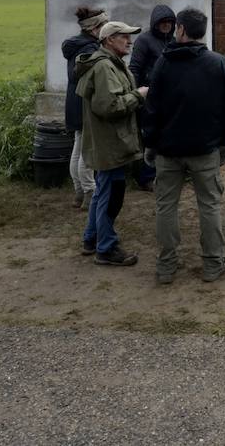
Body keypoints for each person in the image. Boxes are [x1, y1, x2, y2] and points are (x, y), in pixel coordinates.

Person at [144, 7, 225, 285]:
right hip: (205, 149)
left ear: (181, 30)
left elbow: (152, 108)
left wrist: (150, 143)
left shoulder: (163, 63)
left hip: (168, 150)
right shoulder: (218, 63)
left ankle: (166, 266)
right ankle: (213, 262)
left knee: (165, 206)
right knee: (209, 205)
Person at [76, 20, 148, 267]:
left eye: (129, 37)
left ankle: (91, 238)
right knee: (111, 195)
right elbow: (110, 106)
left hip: (108, 141)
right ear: (108, 40)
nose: (129, 41)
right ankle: (106, 249)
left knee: (102, 191)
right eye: (123, 37)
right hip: (110, 143)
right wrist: (138, 95)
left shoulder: (109, 64)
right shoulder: (105, 67)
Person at [62, 6, 107, 209]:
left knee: (78, 146)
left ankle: (79, 193)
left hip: (73, 100)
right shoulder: (90, 49)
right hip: (83, 102)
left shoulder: (77, 44)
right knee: (86, 151)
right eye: (104, 25)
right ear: (94, 28)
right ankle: (90, 192)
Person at [128, 5, 176, 191]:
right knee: (150, 136)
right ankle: (146, 177)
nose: (166, 25)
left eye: (169, 22)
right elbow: (134, 69)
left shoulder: (172, 41)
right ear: (155, 23)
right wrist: (137, 95)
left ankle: (164, 174)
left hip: (169, 97)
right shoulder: (144, 41)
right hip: (149, 97)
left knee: (166, 136)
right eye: (162, 22)